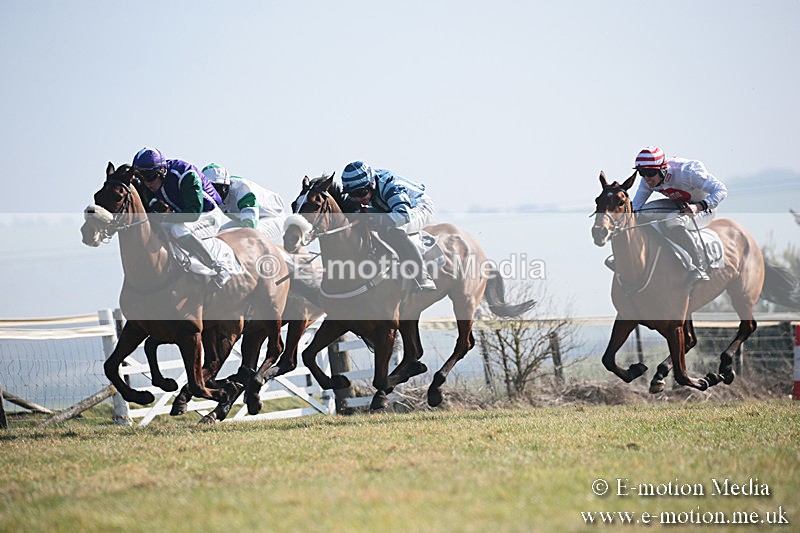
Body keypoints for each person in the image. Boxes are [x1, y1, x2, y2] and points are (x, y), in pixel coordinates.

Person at [132, 147, 231, 288]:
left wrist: (164, 218)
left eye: (149, 177)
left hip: (208, 215)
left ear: (162, 171)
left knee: (178, 230)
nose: (147, 183)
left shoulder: (185, 174)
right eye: (141, 178)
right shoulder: (154, 180)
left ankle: (219, 268)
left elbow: (193, 213)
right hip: (186, 215)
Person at [631, 146, 728, 283]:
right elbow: (635, 208)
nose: (647, 178)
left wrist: (698, 206)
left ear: (663, 168)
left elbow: (721, 190)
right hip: (679, 206)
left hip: (704, 209)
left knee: (672, 220)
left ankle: (699, 267)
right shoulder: (648, 180)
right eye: (642, 173)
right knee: (640, 214)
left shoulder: (688, 172)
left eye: (651, 173)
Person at [341, 160, 436, 291]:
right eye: (353, 194)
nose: (358, 198)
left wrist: (372, 216)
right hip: (389, 207)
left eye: (362, 193)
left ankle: (422, 276)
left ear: (372, 184)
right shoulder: (364, 189)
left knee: (393, 228)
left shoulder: (390, 185)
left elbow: (402, 216)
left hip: (417, 207)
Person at [201, 163, 287, 243]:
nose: (210, 193)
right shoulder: (209, 196)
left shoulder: (242, 188)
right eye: (206, 189)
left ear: (224, 186)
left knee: (247, 236)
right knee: (217, 237)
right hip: (245, 220)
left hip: (273, 218)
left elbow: (249, 224)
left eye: (213, 188)